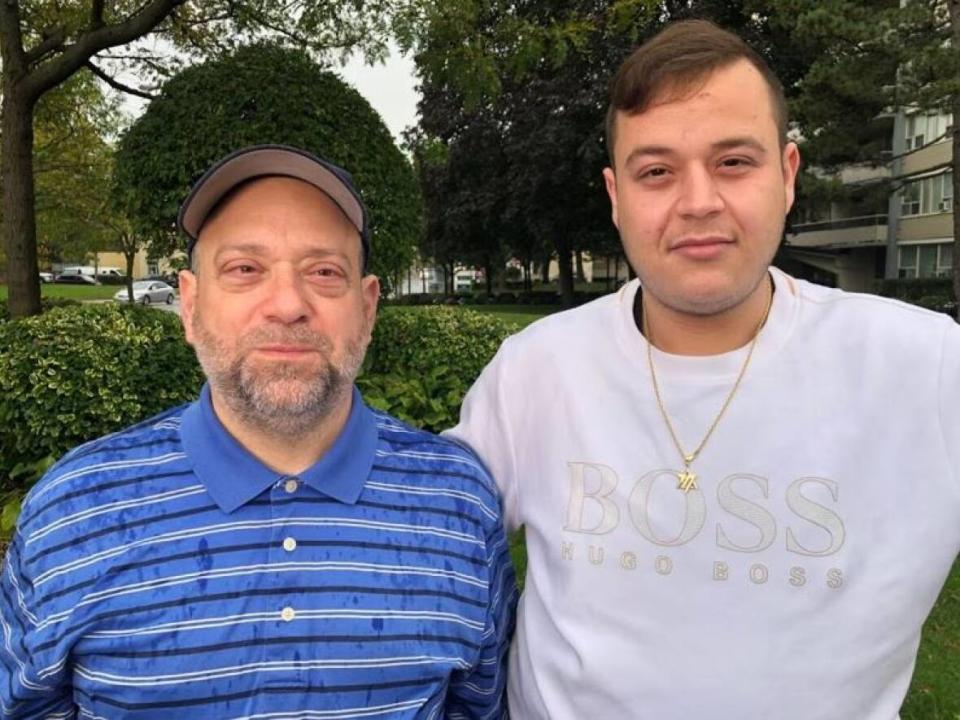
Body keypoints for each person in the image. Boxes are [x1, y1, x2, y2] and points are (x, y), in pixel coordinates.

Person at [447, 19, 960, 720]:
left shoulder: (927, 368)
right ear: (616, 195)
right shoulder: (538, 368)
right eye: (656, 171)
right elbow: (424, 535)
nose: (697, 202)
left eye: (733, 163)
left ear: (786, 175)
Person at [1, 145, 516, 719]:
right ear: (191, 306)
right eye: (245, 269)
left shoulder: (456, 504)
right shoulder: (74, 511)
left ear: (367, 309)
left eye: (324, 272)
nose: (288, 304)